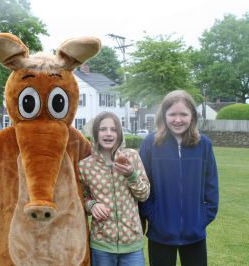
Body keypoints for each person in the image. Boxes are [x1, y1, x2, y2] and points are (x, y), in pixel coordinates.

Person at [139, 90, 219, 266]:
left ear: (192, 116)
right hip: (160, 233)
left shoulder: (203, 144)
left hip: (194, 234)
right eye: (172, 114)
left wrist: (202, 218)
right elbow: (142, 185)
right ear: (164, 115)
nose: (177, 119)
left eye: (183, 114)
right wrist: (153, 215)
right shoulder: (150, 144)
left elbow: (211, 185)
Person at [78, 111, 150, 266]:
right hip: (101, 244)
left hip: (132, 243)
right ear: (96, 133)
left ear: (119, 133)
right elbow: (81, 197)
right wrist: (92, 205)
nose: (108, 134)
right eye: (103, 129)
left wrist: (131, 175)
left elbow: (144, 194)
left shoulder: (132, 157)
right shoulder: (85, 166)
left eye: (114, 129)